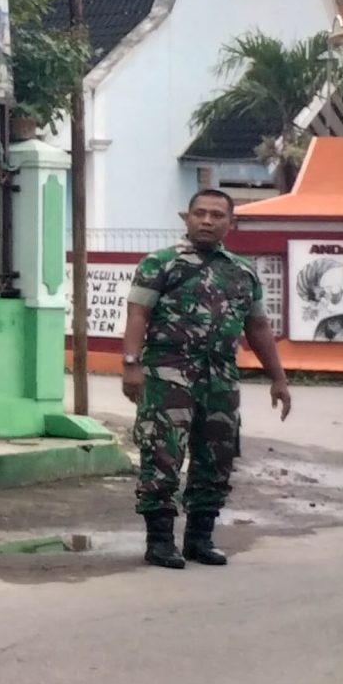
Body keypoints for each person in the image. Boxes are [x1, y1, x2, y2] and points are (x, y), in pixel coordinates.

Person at [122, 188, 291, 568]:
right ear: (187, 218)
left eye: (217, 215)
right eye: (200, 213)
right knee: (162, 455)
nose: (207, 221)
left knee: (217, 458)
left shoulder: (243, 271)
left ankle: (200, 538)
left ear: (231, 223)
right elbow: (137, 314)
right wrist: (131, 364)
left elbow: (259, 327)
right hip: (168, 374)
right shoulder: (160, 264)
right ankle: (160, 541)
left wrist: (278, 378)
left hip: (220, 379)